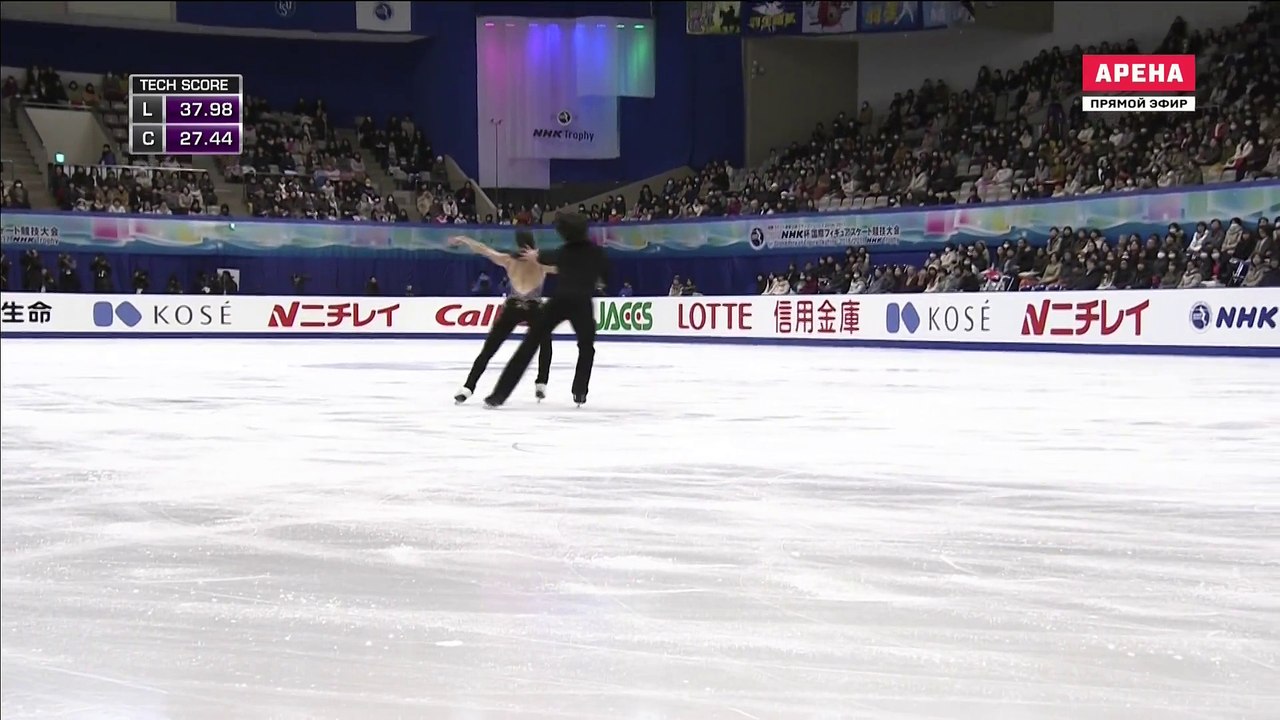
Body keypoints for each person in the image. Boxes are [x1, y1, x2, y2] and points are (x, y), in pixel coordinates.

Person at [486, 212, 609, 408]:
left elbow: (546, 256)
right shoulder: (596, 253)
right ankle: (579, 391)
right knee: (586, 348)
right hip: (582, 305)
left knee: (529, 344)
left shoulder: (562, 252)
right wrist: (598, 281)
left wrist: (536, 255)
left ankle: (499, 395)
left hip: (559, 302)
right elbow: (606, 277)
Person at [448, 231, 554, 404]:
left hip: (513, 307)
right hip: (533, 307)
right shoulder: (540, 263)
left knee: (490, 348)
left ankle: (468, 386)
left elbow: (484, 250)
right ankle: (541, 382)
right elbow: (566, 266)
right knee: (545, 342)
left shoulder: (509, 260)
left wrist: (464, 239)